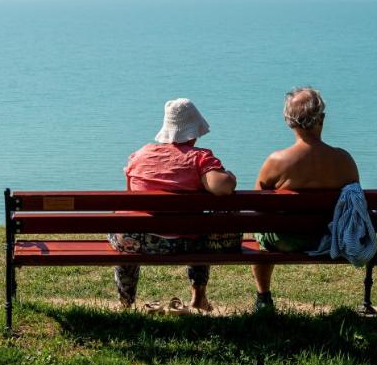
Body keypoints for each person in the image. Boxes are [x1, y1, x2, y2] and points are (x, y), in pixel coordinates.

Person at [107, 98, 239, 312]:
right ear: (194, 132)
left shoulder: (139, 156)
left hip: (137, 241)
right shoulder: (199, 158)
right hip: (185, 242)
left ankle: (126, 302)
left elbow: (129, 195)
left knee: (124, 226)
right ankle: (199, 298)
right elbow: (222, 188)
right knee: (199, 228)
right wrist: (230, 177)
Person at [251, 87, 360, 312]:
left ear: (289, 122)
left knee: (259, 232)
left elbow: (256, 206)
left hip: (285, 239)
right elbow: (354, 205)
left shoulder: (276, 161)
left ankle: (264, 297)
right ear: (322, 118)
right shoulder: (343, 160)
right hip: (330, 239)